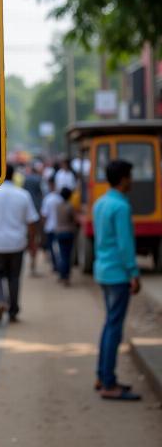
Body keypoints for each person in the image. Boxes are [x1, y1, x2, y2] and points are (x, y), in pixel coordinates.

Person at [93, 160, 141, 400]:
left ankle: (102, 376)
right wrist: (133, 272)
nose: (132, 180)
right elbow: (125, 245)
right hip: (118, 273)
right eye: (130, 176)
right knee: (114, 327)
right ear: (123, 178)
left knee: (109, 325)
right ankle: (109, 384)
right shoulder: (121, 207)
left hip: (103, 270)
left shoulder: (101, 202)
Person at [0, 163, 39, 324]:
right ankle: (13, 311)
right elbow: (32, 222)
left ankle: (0, 301)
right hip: (17, 244)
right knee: (14, 277)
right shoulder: (23, 195)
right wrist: (32, 243)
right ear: (13, 176)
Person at [23, 164, 44, 275]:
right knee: (35, 239)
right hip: (36, 213)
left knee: (28, 239)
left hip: (25, 214)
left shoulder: (26, 180)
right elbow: (42, 194)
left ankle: (29, 264)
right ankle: (33, 264)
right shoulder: (39, 180)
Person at [40, 176, 62, 273]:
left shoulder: (47, 199)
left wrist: (44, 225)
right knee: (58, 248)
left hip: (50, 227)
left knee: (52, 248)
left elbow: (44, 214)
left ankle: (55, 265)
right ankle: (59, 265)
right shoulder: (60, 198)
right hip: (59, 227)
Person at [56, 187, 77, 286]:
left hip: (59, 232)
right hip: (68, 232)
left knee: (62, 255)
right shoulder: (70, 206)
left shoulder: (58, 206)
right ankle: (66, 276)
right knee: (67, 256)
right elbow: (74, 219)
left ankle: (62, 275)